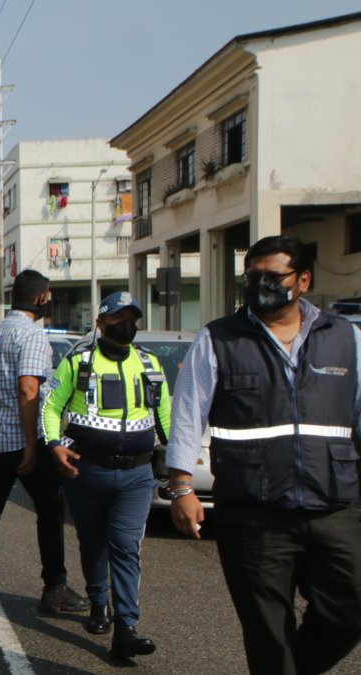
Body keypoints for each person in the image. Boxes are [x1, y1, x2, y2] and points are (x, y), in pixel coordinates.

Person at [168, 235, 361, 675]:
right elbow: (187, 413)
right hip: (253, 512)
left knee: (349, 610)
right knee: (267, 630)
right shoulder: (219, 339)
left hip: (334, 507)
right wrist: (181, 486)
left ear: (303, 280)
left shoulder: (346, 338)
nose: (260, 285)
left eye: (273, 277)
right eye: (252, 277)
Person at [0, 270, 88, 616]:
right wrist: (31, 445)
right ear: (42, 298)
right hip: (20, 441)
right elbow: (28, 390)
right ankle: (54, 588)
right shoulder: (32, 336)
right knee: (50, 509)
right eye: (49, 296)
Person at [43, 292, 169, 660]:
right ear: (100, 322)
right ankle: (99, 602)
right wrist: (54, 445)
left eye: (132, 317)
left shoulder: (149, 364)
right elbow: (51, 408)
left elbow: (165, 416)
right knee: (93, 543)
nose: (126, 324)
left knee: (126, 547)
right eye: (118, 318)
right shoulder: (79, 362)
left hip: (136, 475)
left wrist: (177, 463)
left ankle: (126, 626)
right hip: (88, 471)